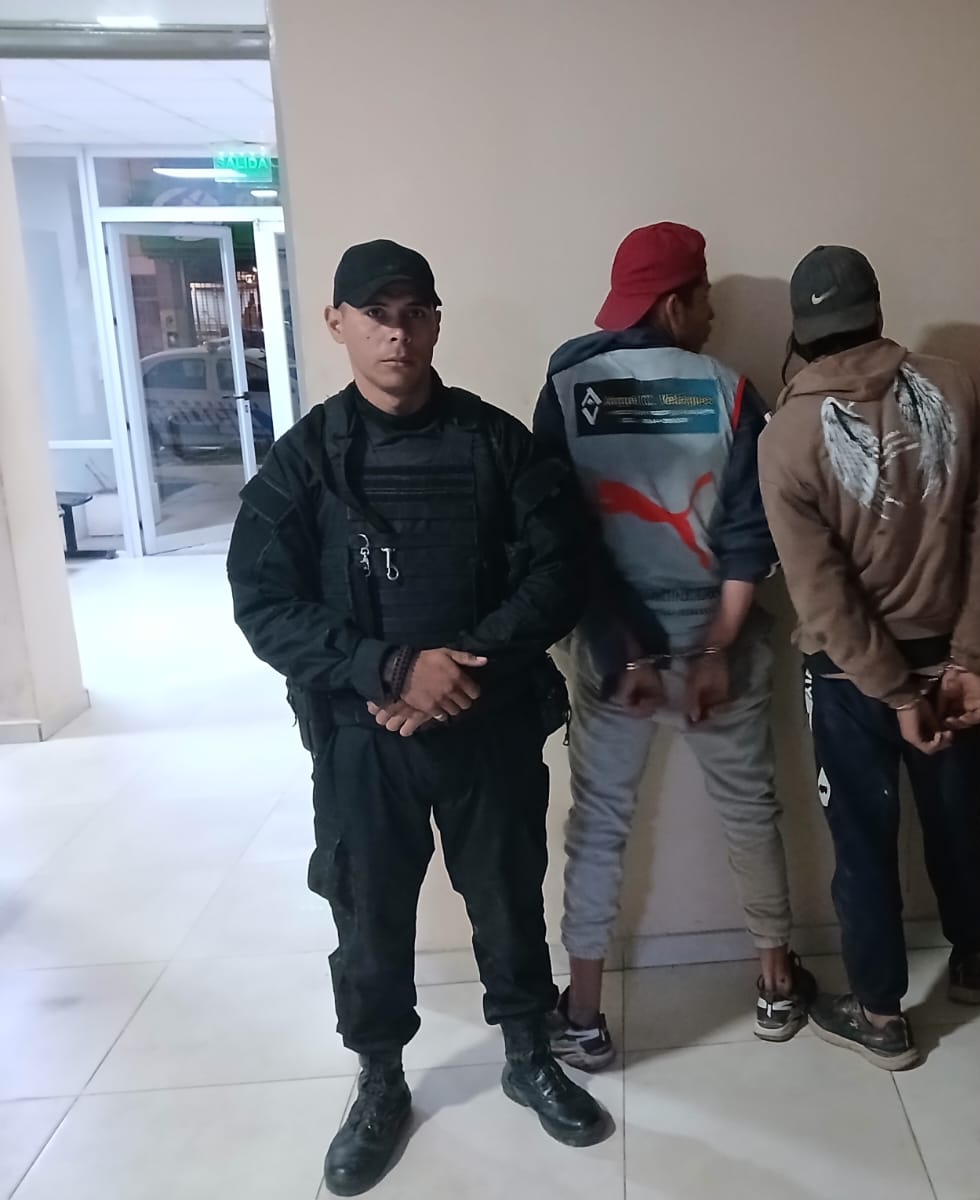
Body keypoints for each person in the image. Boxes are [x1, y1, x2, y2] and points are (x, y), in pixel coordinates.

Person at [227, 240, 608, 1196]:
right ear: (338, 324)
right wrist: (391, 667)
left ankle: (528, 1055)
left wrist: (461, 663)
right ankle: (380, 1080)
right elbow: (262, 602)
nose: (395, 334)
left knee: (508, 894)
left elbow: (562, 568)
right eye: (375, 315)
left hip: (487, 721)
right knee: (367, 910)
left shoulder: (496, 444)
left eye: (413, 314)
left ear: (435, 322)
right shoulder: (305, 460)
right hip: (363, 737)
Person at [533, 221, 811, 1068]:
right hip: (714, 645)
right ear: (675, 303)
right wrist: (715, 649)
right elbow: (749, 535)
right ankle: (775, 986)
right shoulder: (733, 391)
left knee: (599, 826)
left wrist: (628, 651)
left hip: (611, 652)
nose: (714, 317)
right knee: (750, 813)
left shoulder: (567, 387)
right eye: (705, 301)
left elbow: (561, 537)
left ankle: (584, 1012)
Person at [758, 245, 980, 1071]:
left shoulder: (786, 435)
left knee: (863, 845)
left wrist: (894, 693)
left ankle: (880, 1016)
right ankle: (976, 954)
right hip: (948, 664)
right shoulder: (954, 387)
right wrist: (970, 659)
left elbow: (821, 594)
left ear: (800, 334)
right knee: (955, 823)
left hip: (849, 681)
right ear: (876, 311)